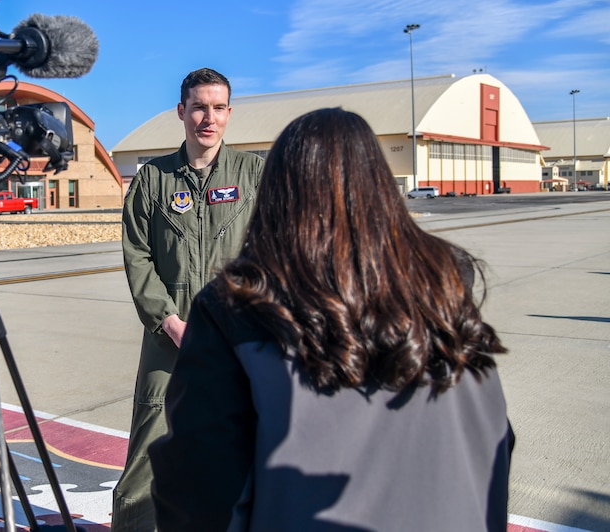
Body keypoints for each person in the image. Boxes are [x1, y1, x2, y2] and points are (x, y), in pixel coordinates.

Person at [149, 108, 513, 531]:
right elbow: (494, 444)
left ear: (276, 193)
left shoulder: (239, 307)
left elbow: (197, 484)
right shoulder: (447, 288)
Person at [115, 68, 265, 531]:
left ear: (229, 113)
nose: (209, 118)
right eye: (199, 107)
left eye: (218, 108)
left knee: (250, 453)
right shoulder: (152, 180)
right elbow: (138, 255)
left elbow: (276, 247)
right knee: (146, 463)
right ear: (181, 111)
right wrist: (170, 321)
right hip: (170, 341)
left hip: (237, 339)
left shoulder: (254, 174)